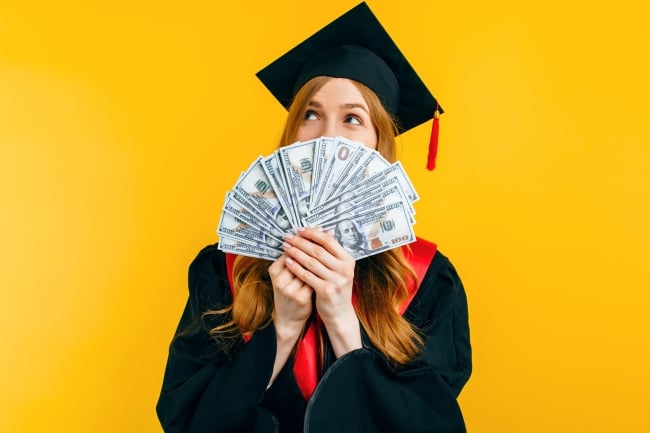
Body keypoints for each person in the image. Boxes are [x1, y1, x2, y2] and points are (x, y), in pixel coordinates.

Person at [156, 3, 471, 433]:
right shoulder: (225, 270)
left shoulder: (427, 279)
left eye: (352, 119)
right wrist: (283, 328)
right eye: (311, 114)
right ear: (292, 134)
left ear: (380, 145)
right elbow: (186, 422)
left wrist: (342, 319)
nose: (327, 138)